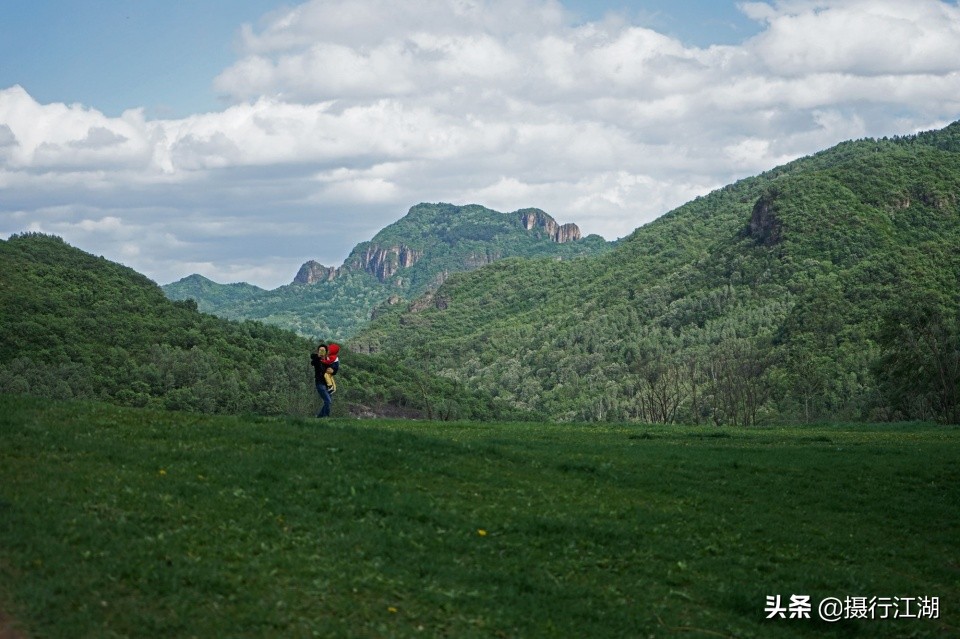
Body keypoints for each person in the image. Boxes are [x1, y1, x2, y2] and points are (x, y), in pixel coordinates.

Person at [310, 344, 333, 417]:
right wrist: (318, 357)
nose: (322, 352)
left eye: (323, 350)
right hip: (320, 383)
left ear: (326, 352)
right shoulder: (316, 359)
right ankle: (326, 416)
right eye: (320, 350)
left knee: (328, 401)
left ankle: (320, 417)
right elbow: (312, 362)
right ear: (318, 351)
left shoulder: (327, 360)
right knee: (328, 401)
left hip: (328, 384)